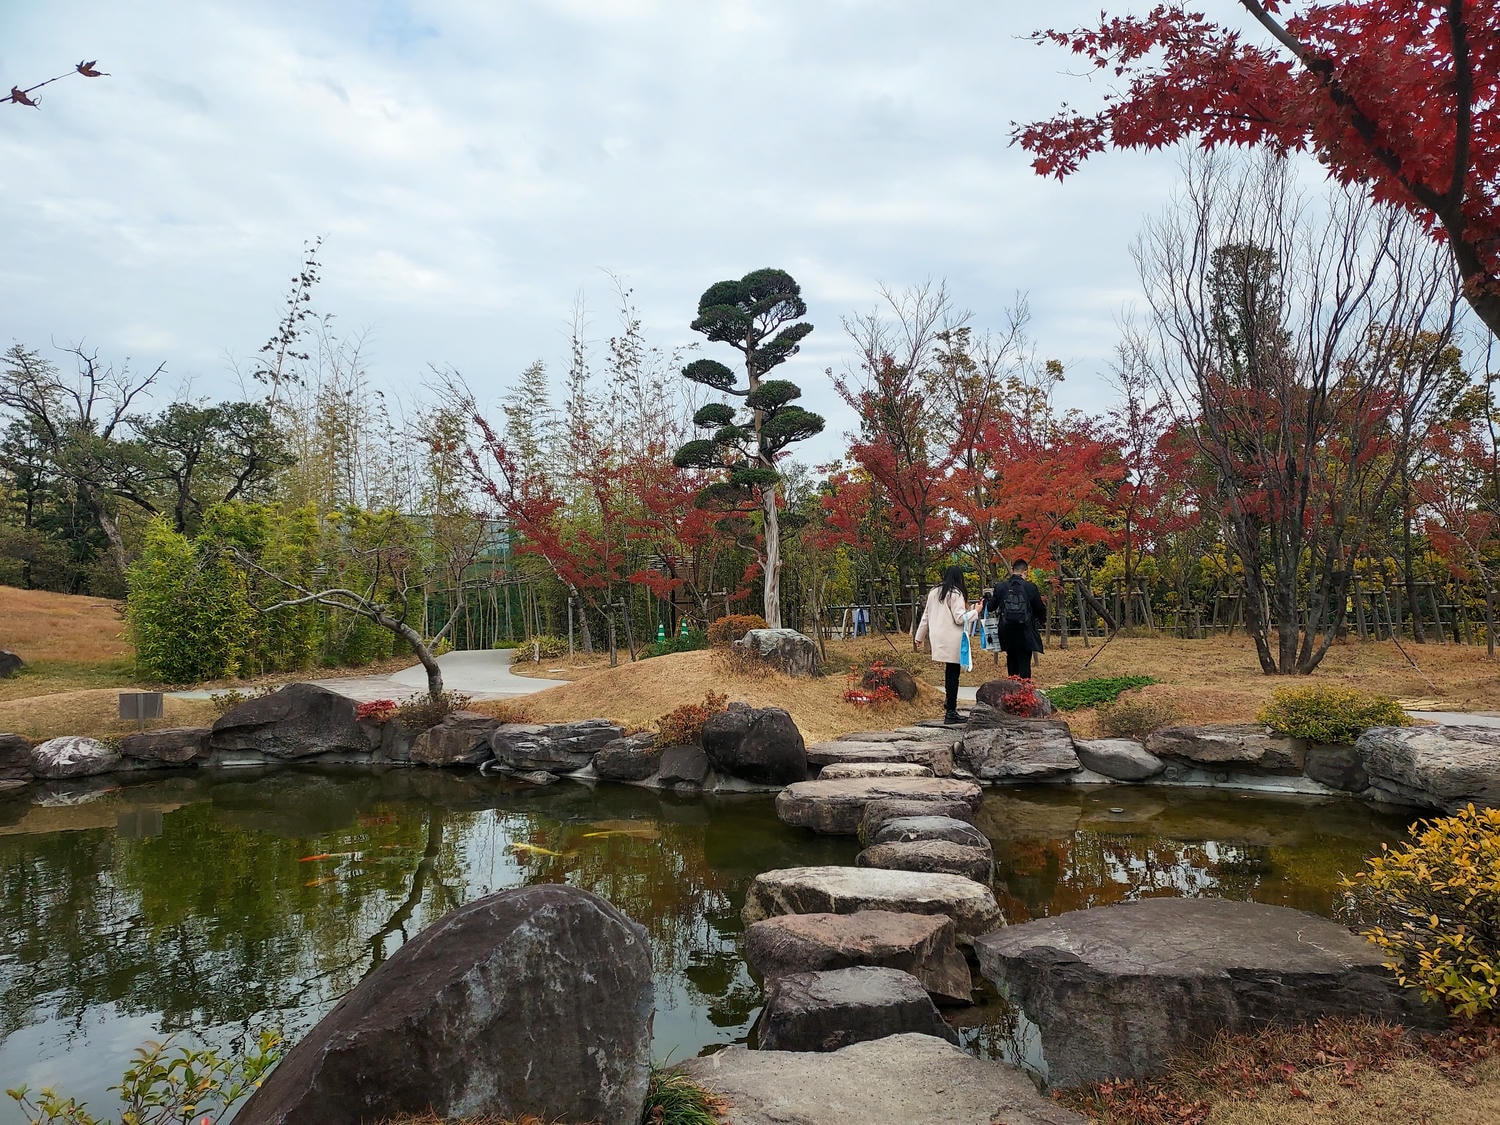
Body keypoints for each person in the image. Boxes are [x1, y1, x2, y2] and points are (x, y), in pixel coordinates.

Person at [914, 565, 969, 725]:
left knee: (949, 672)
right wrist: (975, 611)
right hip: (953, 637)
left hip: (937, 637)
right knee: (953, 674)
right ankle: (951, 711)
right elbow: (960, 618)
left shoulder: (934, 592)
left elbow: (926, 616)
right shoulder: (955, 593)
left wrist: (919, 637)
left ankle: (949, 705)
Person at [983, 558, 1047, 680]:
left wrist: (986, 599)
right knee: (1025, 662)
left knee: (1011, 659)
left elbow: (991, 607)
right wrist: (1040, 621)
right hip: (1025, 631)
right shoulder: (1031, 587)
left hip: (1006, 632)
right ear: (1025, 572)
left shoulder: (1001, 587)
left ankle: (1012, 692)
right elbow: (1040, 609)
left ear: (1012, 570)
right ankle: (1025, 694)